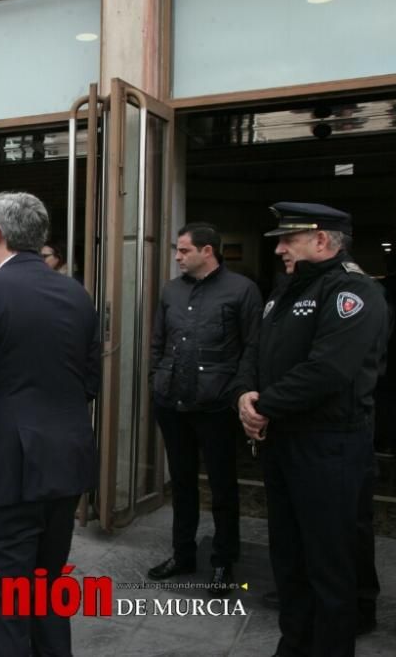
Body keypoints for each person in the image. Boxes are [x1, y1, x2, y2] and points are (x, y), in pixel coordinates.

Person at [0, 192, 100, 657]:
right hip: (65, 464)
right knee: (48, 592)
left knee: (5, 606)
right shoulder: (76, 293)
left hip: (5, 471)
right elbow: (90, 381)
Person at [237, 202, 388, 657]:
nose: (280, 248)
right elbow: (254, 350)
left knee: (329, 563)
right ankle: (294, 644)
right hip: (284, 441)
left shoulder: (354, 293)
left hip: (330, 447)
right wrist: (244, 393)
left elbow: (329, 370)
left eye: (288, 240)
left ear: (321, 240)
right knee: (289, 556)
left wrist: (265, 405)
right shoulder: (283, 292)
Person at [147, 223, 262, 596]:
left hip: (215, 406)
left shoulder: (242, 290)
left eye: (183, 250)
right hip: (172, 401)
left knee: (222, 485)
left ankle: (223, 562)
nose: (177, 257)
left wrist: (239, 391)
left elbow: (252, 349)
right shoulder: (171, 290)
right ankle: (183, 554)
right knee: (181, 483)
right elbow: (158, 341)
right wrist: (155, 379)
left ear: (208, 251)